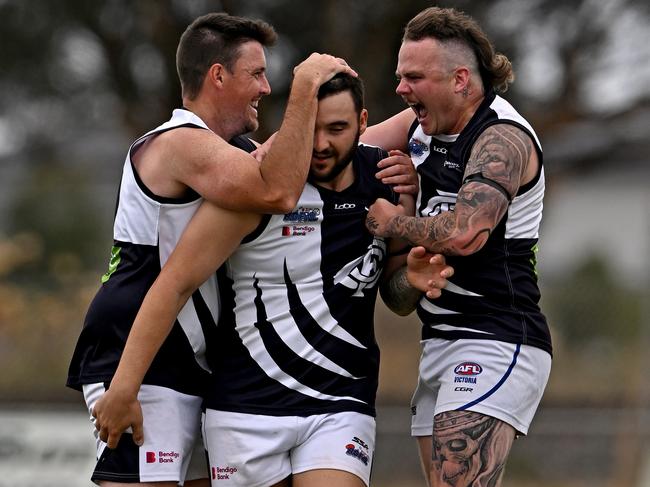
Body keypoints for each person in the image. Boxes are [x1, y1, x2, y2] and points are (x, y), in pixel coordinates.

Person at [89, 73, 452, 487]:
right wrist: (123, 387)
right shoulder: (256, 188)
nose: (320, 145)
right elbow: (174, 284)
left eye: (336, 129)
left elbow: (396, 296)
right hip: (245, 410)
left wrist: (410, 277)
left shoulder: (386, 181)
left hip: (340, 405)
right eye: (310, 128)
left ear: (363, 122)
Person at [65, 12, 357, 487]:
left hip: (194, 361)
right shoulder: (180, 142)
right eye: (257, 73)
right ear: (218, 76)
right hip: (140, 358)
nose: (266, 87)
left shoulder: (232, 149)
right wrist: (305, 85)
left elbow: (328, 152)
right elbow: (279, 190)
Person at [361, 6, 552, 487]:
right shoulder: (419, 129)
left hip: (497, 337)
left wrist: (394, 221)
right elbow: (340, 151)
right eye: (400, 76)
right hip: (439, 342)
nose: (402, 89)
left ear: (461, 80)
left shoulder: (502, 137)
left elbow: (468, 232)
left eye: (414, 77)